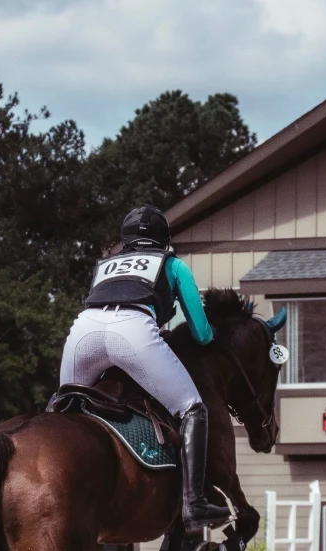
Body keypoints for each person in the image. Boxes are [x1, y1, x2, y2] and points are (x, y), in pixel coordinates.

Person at [59, 204, 229, 532]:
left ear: (125, 240)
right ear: (164, 239)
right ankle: (194, 504)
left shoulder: (104, 265)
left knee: (64, 413)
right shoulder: (173, 264)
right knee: (192, 408)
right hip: (132, 331)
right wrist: (211, 336)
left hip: (83, 333)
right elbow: (201, 333)